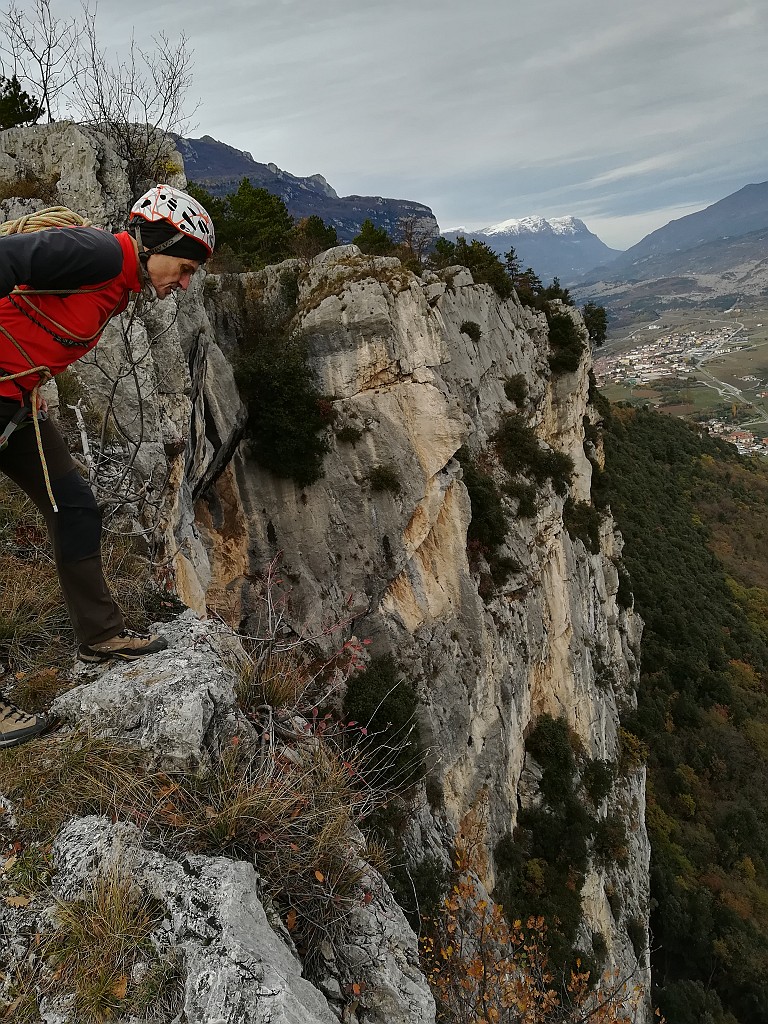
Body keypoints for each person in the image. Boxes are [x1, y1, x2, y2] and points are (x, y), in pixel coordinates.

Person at [0, 184, 215, 748]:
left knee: (73, 505)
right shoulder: (98, 254)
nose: (184, 282)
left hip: (15, 402)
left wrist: (33, 378)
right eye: (185, 266)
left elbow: (36, 318)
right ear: (156, 244)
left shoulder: (117, 285)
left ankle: (100, 635)